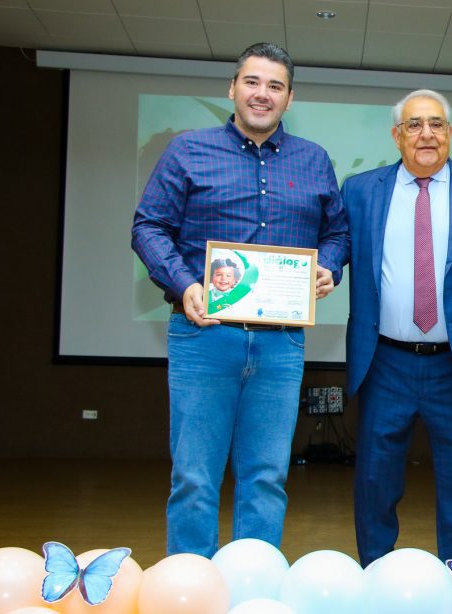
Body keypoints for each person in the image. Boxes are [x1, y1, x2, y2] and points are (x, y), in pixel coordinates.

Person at [131, 42, 348, 557]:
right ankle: (192, 587)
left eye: (275, 85)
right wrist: (185, 284)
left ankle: (253, 586)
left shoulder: (314, 160)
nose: (261, 94)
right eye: (252, 82)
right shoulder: (187, 150)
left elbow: (337, 233)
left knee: (267, 478)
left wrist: (328, 266)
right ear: (232, 88)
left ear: (290, 98)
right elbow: (149, 226)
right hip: (203, 337)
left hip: (280, 344)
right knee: (194, 479)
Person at [342, 89, 452, 567]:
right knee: (375, 485)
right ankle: (376, 580)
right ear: (396, 135)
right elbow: (334, 251)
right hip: (383, 362)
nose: (427, 134)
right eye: (415, 124)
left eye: (437, 124)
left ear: (450, 133)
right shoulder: (359, 191)